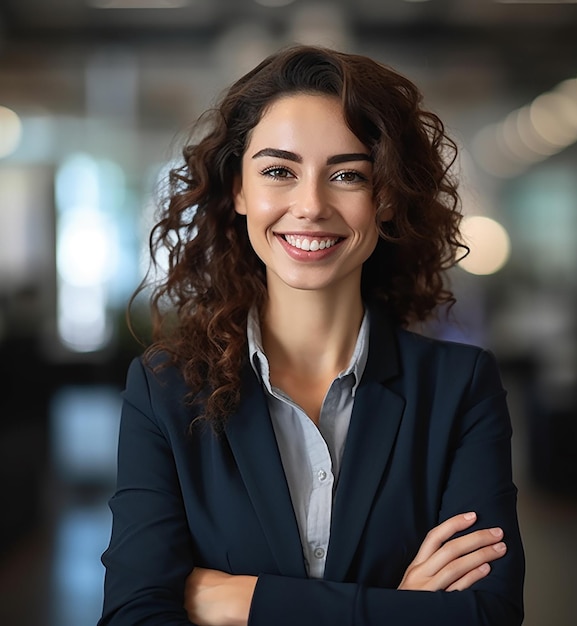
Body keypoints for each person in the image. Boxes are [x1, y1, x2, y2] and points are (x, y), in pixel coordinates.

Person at [99, 44, 525, 625]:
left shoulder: (459, 389)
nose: (311, 205)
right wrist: (399, 610)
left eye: (347, 175)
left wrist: (240, 600)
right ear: (238, 191)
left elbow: (486, 615)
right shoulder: (165, 391)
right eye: (279, 171)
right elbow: (133, 617)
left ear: (387, 198)